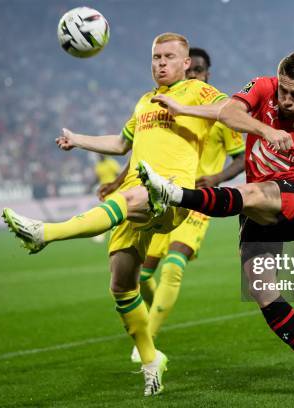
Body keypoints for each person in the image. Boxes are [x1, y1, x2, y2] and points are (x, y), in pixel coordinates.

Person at [1, 33, 228, 396]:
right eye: (156, 57)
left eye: (169, 57)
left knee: (138, 197)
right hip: (136, 192)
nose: (161, 63)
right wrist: (79, 139)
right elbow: (122, 144)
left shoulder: (197, 93)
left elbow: (229, 109)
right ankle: (151, 359)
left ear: (186, 64)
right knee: (122, 285)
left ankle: (45, 233)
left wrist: (184, 110)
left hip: (170, 193)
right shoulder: (143, 101)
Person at [138, 52, 294, 400]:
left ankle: (170, 193)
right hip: (257, 210)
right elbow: (229, 111)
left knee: (253, 191)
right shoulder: (262, 87)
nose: (288, 100)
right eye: (284, 91)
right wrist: (265, 129)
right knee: (262, 289)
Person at [98, 47, 245, 363]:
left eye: (200, 70)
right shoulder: (167, 106)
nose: (194, 75)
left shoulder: (216, 116)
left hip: (194, 201)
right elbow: (141, 149)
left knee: (174, 268)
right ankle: (149, 318)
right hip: (159, 198)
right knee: (141, 275)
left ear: (206, 73)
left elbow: (242, 157)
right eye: (192, 70)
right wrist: (120, 179)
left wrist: (217, 177)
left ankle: (147, 341)